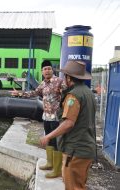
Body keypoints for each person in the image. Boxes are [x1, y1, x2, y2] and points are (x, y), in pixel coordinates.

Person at [40, 60, 97, 189]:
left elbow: (68, 123)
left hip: (76, 150)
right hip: (87, 147)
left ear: (69, 77)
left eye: (65, 75)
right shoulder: (88, 92)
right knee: (79, 185)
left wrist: (48, 137)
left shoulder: (73, 96)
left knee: (72, 186)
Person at [11, 60, 66, 178]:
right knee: (49, 140)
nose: (47, 71)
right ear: (42, 72)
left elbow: (67, 94)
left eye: (49, 68)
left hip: (56, 117)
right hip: (46, 116)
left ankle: (57, 170)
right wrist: (20, 94)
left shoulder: (59, 82)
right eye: (45, 69)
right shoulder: (42, 84)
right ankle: (50, 163)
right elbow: (34, 93)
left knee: (55, 141)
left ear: (52, 70)